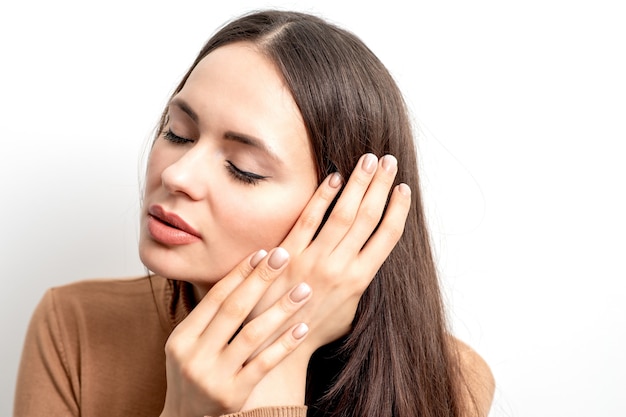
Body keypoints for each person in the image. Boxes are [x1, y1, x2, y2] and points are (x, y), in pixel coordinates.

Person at [14, 9, 494, 417]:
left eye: (243, 169)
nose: (178, 174)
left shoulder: (448, 378)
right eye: (178, 133)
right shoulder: (76, 325)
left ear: (347, 213)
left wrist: (281, 359)